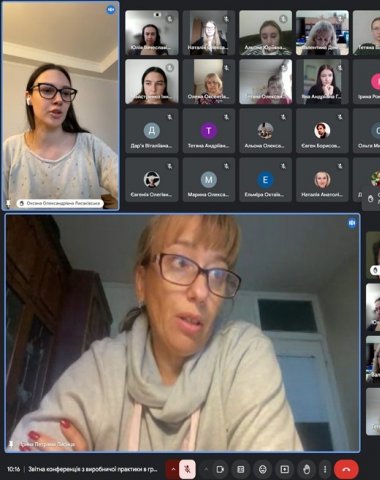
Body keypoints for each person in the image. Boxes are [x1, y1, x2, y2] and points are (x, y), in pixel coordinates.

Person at [8, 215, 302, 451]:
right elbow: (32, 446)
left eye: (217, 274)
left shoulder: (243, 353)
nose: (201, 292)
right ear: (142, 282)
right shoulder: (104, 364)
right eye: (181, 262)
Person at [2, 63, 118, 209]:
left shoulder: (91, 145)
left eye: (66, 93)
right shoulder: (10, 149)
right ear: (28, 97)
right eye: (47, 90)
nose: (59, 100)